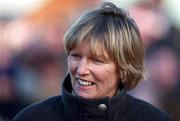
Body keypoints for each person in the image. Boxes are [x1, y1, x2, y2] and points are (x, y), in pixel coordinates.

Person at [12, 2, 172, 121]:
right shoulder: (33, 117)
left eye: (97, 61)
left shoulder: (151, 118)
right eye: (76, 56)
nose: (81, 70)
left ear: (124, 68)